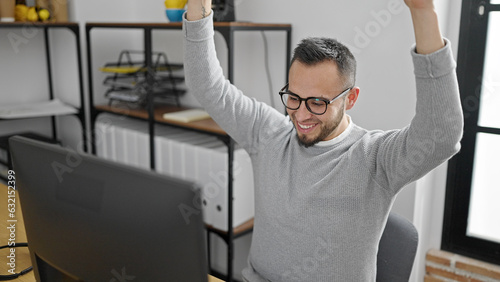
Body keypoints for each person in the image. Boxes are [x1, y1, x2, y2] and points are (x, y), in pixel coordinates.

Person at [183, 0, 464, 281]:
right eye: (293, 98)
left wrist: (422, 11)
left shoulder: (375, 158)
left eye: (317, 102)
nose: (301, 114)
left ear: (350, 99)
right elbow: (207, 86)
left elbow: (441, 134)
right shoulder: (268, 134)